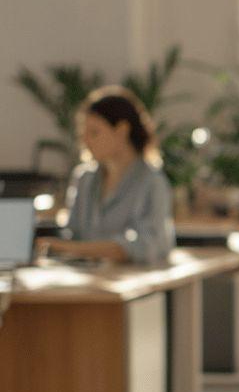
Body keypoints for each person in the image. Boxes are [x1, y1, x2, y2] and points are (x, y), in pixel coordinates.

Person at [37, 86, 176, 264]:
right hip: (86, 282)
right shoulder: (84, 178)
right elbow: (72, 234)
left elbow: (148, 246)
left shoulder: (152, 182)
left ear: (122, 130)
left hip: (133, 285)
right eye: (83, 133)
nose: (85, 141)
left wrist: (68, 248)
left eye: (94, 132)